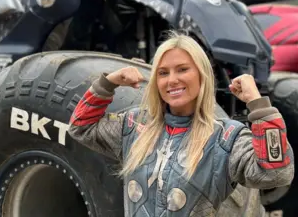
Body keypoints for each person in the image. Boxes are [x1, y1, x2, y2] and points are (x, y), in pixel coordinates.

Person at [68, 32, 294, 216]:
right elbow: (81, 127)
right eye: (163, 73)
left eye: (183, 69)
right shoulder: (134, 125)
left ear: (201, 75)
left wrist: (258, 105)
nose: (172, 80)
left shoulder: (227, 138)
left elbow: (275, 174)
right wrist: (108, 83)